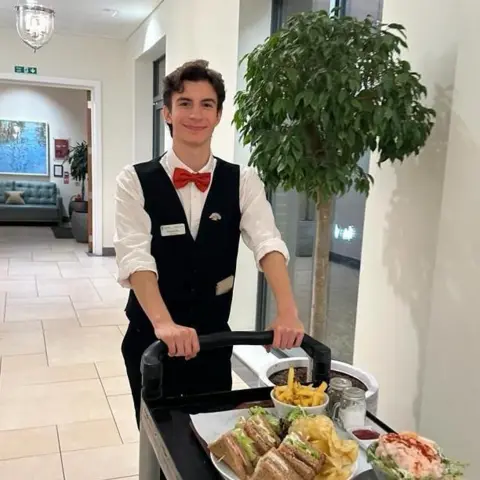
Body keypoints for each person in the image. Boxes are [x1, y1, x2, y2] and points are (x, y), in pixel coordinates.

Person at [113, 59, 304, 427]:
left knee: (213, 436)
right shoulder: (133, 181)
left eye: (206, 105)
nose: (195, 114)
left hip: (214, 342)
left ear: (218, 115)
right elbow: (135, 256)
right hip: (150, 340)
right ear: (167, 113)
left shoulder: (243, 180)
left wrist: (287, 309)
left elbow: (267, 242)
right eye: (184, 103)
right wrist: (164, 323)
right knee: (159, 443)